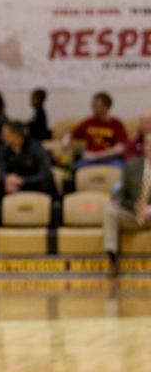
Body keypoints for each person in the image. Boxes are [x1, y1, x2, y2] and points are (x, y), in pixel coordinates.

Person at [104, 132, 151, 275]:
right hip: (134, 213)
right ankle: (112, 258)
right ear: (144, 147)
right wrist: (116, 200)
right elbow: (121, 188)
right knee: (109, 212)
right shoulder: (132, 166)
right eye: (148, 144)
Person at [64, 92, 128, 169]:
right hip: (89, 159)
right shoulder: (88, 122)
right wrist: (66, 138)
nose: (92, 108)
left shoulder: (117, 124)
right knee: (74, 168)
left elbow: (120, 148)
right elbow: (72, 133)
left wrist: (96, 156)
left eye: (96, 106)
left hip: (110, 158)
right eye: (92, 105)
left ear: (106, 107)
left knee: (121, 168)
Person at [0, 120, 54, 201]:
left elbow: (45, 174)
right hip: (13, 184)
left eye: (5, 134)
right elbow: (2, 169)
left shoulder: (36, 148)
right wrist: (6, 179)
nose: (2, 137)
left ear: (16, 135)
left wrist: (23, 181)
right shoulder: (4, 149)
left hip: (34, 184)